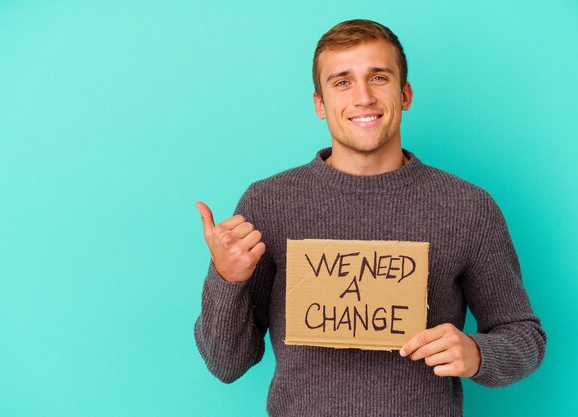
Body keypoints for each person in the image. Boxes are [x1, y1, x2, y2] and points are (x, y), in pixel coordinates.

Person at [194, 19, 546, 417]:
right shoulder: (268, 203)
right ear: (319, 104)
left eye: (378, 77)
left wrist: (477, 352)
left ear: (405, 93)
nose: (363, 97)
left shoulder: (468, 207)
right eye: (342, 82)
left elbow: (524, 336)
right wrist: (226, 279)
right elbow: (226, 364)